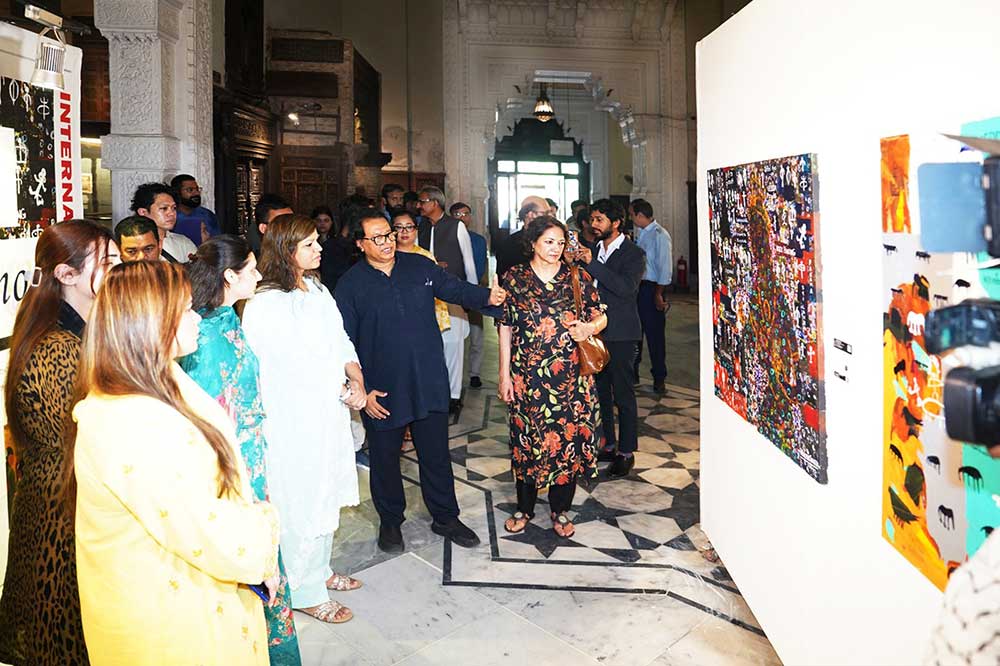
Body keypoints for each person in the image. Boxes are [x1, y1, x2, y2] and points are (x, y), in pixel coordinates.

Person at [70, 261, 280, 665]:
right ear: (150, 325)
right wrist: (262, 536)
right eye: (185, 310)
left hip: (197, 583)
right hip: (171, 612)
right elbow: (201, 525)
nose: (196, 317)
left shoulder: (160, 378)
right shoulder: (130, 422)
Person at [334, 211, 508, 553]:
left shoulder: (419, 266)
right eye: (377, 238)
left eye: (389, 234)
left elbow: (455, 289)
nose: (387, 242)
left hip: (427, 379)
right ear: (360, 244)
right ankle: (390, 522)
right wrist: (362, 390)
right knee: (385, 459)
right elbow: (344, 343)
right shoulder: (350, 285)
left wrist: (488, 297)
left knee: (436, 454)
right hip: (383, 389)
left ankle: (446, 517)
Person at [0, 220, 119, 666]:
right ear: (66, 275)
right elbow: (84, 437)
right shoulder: (55, 346)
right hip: (60, 510)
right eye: (106, 262)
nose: (118, 269)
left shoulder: (83, 329)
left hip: (73, 496)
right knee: (61, 633)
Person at [180, 236, 302, 664]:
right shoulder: (201, 336)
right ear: (229, 276)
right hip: (228, 466)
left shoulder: (229, 318)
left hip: (252, 456)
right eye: (251, 269)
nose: (259, 274)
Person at [242, 214, 368, 625]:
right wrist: (342, 389)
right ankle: (303, 590)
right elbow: (288, 366)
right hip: (292, 418)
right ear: (286, 250)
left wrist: (355, 377)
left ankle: (320, 569)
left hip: (326, 411)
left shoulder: (316, 288)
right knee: (300, 499)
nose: (319, 249)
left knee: (325, 491)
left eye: (317, 241)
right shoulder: (265, 303)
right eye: (310, 244)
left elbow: (339, 338)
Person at [498, 215, 605, 538]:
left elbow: (600, 316)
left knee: (566, 442)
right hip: (526, 376)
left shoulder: (577, 277)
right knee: (526, 441)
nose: (556, 248)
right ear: (532, 243)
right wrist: (504, 374)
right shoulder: (514, 278)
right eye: (548, 242)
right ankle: (525, 507)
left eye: (560, 243)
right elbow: (505, 327)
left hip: (570, 379)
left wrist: (588, 328)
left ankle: (560, 510)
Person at [571, 198, 645, 479]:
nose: (594, 224)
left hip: (622, 332)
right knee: (601, 391)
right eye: (592, 219)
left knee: (623, 393)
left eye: (600, 219)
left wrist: (593, 265)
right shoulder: (593, 249)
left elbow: (625, 288)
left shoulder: (633, 254)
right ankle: (609, 443)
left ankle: (626, 451)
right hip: (595, 331)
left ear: (616, 223)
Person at [417, 186, 478, 414]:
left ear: (435, 203)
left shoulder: (456, 226)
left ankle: (453, 395)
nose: (419, 205)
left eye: (423, 201)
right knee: (432, 346)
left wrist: (471, 296)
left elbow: (468, 262)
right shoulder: (421, 227)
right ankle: (434, 391)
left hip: (453, 295)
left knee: (454, 346)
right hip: (428, 297)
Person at [630, 199, 673, 393]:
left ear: (640, 215)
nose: (631, 218)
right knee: (635, 333)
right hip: (638, 288)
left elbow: (665, 267)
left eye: (632, 214)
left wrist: (659, 294)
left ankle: (659, 377)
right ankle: (633, 372)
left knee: (655, 336)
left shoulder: (659, 235)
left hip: (652, 289)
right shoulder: (641, 233)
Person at [450, 201, 488, 389]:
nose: (462, 218)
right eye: (458, 214)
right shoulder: (447, 239)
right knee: (453, 337)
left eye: (466, 214)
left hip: (474, 291)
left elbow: (482, 265)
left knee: (476, 335)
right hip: (452, 293)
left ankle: (474, 373)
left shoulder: (478, 240)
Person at [131, 182, 196, 263]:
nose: (171, 213)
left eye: (174, 208)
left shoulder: (183, 242)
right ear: (143, 212)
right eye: (164, 208)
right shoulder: (130, 244)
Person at [495, 195, 547, 280]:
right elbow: (503, 278)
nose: (551, 217)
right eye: (545, 213)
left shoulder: (552, 241)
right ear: (530, 214)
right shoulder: (509, 245)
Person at [171, 173, 220, 246]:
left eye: (197, 189)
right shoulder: (170, 216)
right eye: (190, 190)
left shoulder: (207, 215)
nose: (196, 193)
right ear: (177, 193)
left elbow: (217, 241)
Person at [316, 205, 356, 294]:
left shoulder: (338, 243)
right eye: (319, 220)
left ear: (332, 222)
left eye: (326, 220)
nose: (322, 224)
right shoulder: (311, 243)